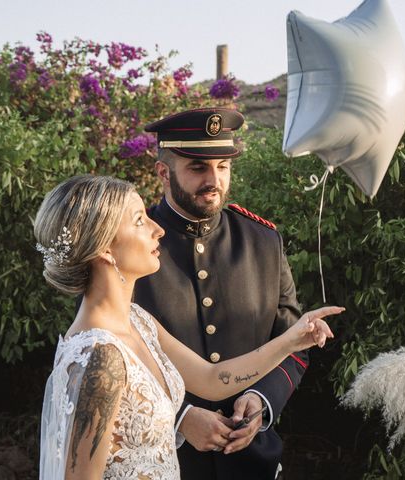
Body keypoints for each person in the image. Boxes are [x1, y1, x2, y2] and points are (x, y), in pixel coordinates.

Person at [35, 174, 342, 480]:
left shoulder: (137, 320)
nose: (158, 230)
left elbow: (212, 379)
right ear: (104, 248)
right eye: (140, 221)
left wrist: (292, 339)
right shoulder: (100, 358)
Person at [133, 107, 308, 480]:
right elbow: (115, 358)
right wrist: (179, 418)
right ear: (163, 172)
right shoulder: (132, 247)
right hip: (163, 462)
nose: (214, 179)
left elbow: (294, 344)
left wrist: (262, 399)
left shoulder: (264, 242)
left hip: (251, 461)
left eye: (223, 167)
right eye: (198, 167)